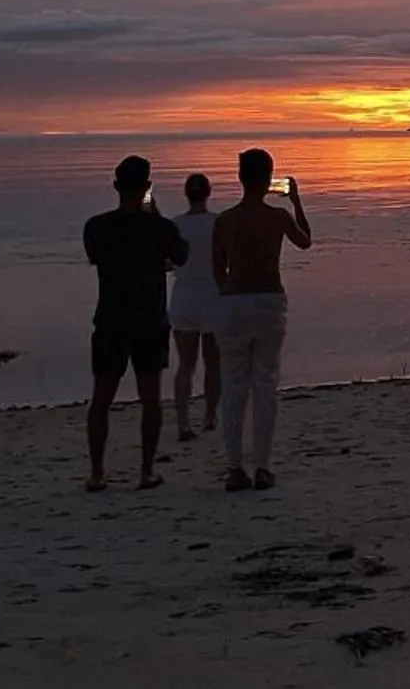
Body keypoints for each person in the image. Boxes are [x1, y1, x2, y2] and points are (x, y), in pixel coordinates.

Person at [82, 154, 186, 490]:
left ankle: (97, 473)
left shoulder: (96, 227)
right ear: (146, 187)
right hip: (149, 320)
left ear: (115, 186)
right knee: (150, 397)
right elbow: (181, 255)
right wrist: (152, 214)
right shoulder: (160, 228)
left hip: (112, 318)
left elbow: (97, 257)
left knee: (102, 397)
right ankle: (145, 470)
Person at [213, 147, 312, 491]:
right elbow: (306, 241)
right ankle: (262, 467)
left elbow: (217, 271)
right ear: (269, 179)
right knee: (265, 384)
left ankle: (234, 467)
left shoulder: (224, 221)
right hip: (269, 300)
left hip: (234, 301)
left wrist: (229, 298)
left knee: (235, 385)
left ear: (240, 177)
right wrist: (296, 201)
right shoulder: (279, 217)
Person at [167, 172, 223, 443]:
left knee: (186, 364)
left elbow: (169, 262)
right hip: (213, 296)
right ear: (208, 193)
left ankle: (183, 423)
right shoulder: (218, 223)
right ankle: (210, 416)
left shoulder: (175, 225)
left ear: (187, 194)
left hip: (185, 297)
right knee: (214, 363)